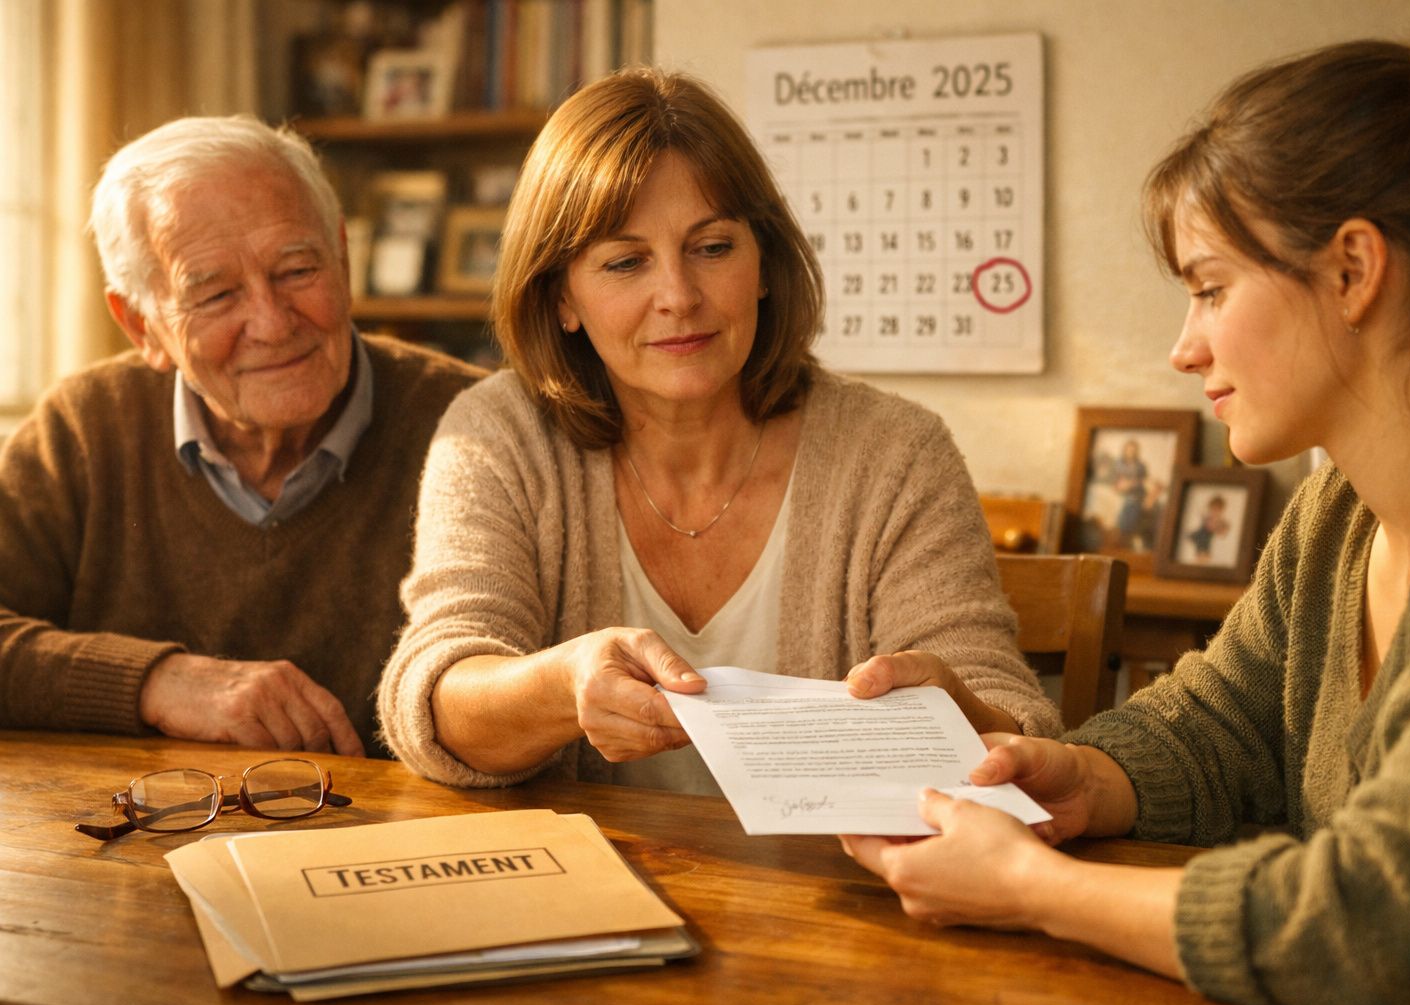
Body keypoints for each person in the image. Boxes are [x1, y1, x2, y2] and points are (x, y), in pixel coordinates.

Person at [842, 25, 1410, 1005]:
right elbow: (1224, 722)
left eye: (1210, 288)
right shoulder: (1336, 515)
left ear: (1351, 271)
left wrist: (1036, 890)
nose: (1183, 346)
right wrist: (1081, 776)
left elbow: (1392, 926)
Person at [378, 68, 1060, 791]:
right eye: (625, 261)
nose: (678, 296)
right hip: (583, 892)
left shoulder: (895, 453)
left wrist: (960, 710)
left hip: (839, 894)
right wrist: (562, 687)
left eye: (712, 248)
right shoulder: (496, 436)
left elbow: (1013, 723)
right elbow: (436, 691)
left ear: (763, 263)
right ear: (561, 298)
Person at [0, 115, 484, 756]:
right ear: (141, 325)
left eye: (296, 271)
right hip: (131, 838)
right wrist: (159, 681)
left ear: (342, 256)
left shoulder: (471, 422)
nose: (272, 323)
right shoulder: (85, 427)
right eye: (217, 294)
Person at [1184, 493, 1228, 561]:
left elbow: (1222, 532)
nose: (1214, 512)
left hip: (1206, 540)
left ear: (1221, 510)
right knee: (1200, 552)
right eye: (1213, 509)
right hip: (1199, 535)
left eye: (1217, 510)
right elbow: (1208, 526)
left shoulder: (1220, 521)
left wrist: (1218, 527)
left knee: (1204, 552)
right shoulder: (1208, 518)